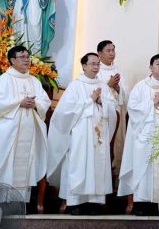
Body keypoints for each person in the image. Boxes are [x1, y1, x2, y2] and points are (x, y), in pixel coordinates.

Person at [0, 45, 51, 201]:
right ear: (12, 60)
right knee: (4, 164)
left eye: (28, 56)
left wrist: (36, 104)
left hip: (28, 131)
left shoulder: (34, 80)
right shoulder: (4, 79)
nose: (26, 60)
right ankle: (0, 202)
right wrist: (19, 102)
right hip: (8, 132)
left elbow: (44, 100)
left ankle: (19, 203)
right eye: (22, 57)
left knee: (24, 167)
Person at [47, 52, 117, 214]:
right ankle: (75, 203)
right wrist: (89, 100)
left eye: (97, 64)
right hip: (80, 134)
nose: (96, 67)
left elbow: (112, 108)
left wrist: (101, 101)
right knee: (79, 164)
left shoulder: (103, 86)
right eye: (92, 64)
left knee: (97, 165)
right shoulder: (75, 85)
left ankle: (94, 203)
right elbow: (64, 112)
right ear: (84, 66)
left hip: (99, 134)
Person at [118, 54, 159, 215]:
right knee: (143, 168)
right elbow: (132, 108)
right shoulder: (140, 87)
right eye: (158, 64)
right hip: (144, 136)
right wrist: (151, 103)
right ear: (151, 67)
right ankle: (141, 205)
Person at [97, 40, 130, 181]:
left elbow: (126, 93)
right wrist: (108, 85)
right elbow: (93, 92)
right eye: (108, 50)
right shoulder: (95, 70)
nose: (112, 53)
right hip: (101, 115)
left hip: (118, 113)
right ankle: (101, 175)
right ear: (99, 53)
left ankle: (114, 176)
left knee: (117, 144)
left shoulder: (118, 70)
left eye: (113, 50)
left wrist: (118, 89)